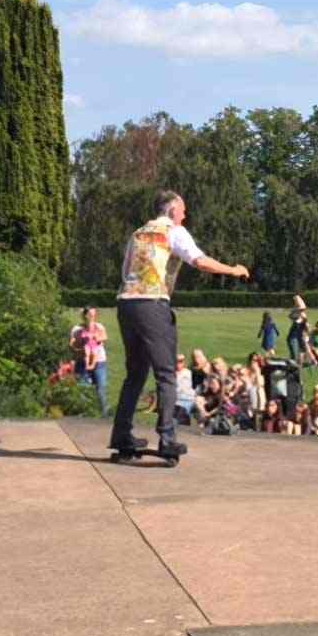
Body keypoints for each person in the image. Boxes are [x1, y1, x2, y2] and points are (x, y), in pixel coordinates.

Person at [109, 190, 251, 460]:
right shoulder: (174, 230)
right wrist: (233, 270)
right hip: (152, 304)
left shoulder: (138, 233)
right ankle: (167, 438)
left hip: (126, 304)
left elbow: (126, 270)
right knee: (166, 374)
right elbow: (200, 261)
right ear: (173, 210)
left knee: (135, 374)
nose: (185, 215)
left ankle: (121, 435)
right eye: (183, 210)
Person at [73, 307, 109, 414]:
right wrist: (82, 343)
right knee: (83, 390)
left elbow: (104, 337)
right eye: (89, 315)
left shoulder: (99, 326)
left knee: (101, 388)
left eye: (94, 315)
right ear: (84, 316)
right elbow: (73, 344)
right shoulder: (77, 329)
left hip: (100, 362)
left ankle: (104, 414)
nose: (92, 317)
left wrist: (97, 338)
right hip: (82, 361)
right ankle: (86, 413)